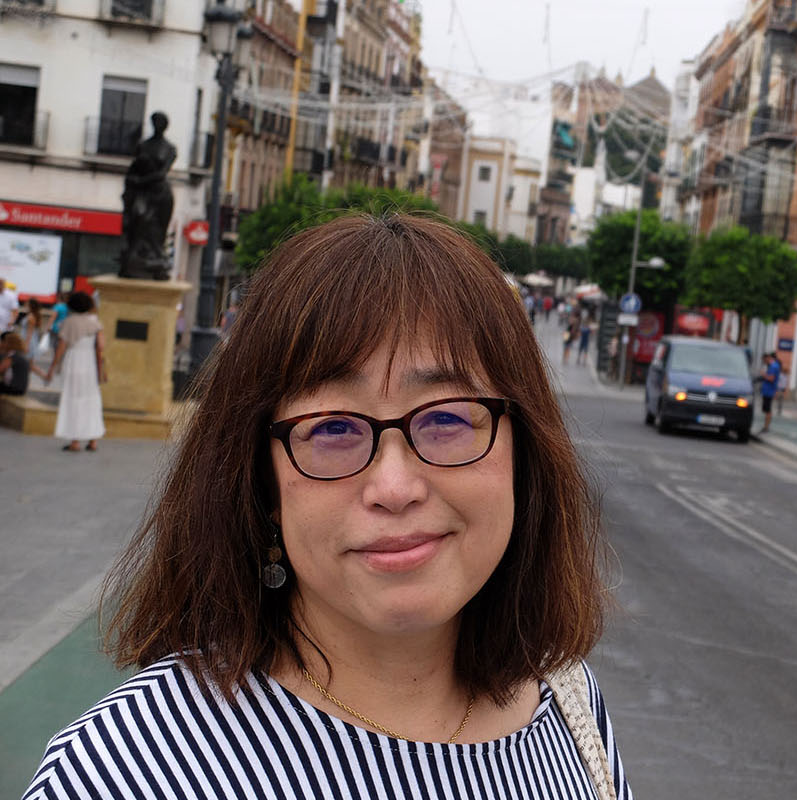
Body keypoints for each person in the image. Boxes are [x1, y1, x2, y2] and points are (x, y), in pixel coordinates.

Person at [23, 214, 631, 800]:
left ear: (525, 451)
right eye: (333, 428)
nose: (394, 487)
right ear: (258, 477)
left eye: (446, 418)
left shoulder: (570, 709)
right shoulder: (129, 771)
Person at [38, 291, 106, 452]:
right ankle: (93, 440)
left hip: (74, 362)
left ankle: (75, 441)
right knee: (92, 399)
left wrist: (52, 368)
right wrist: (100, 368)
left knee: (73, 399)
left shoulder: (69, 322)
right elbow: (101, 347)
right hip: (90, 364)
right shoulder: (95, 323)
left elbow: (60, 349)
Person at [0, 331, 31, 395]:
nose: (2, 344)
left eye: (4, 342)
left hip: (14, 388)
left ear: (9, 343)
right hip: (20, 389)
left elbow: (1, 369)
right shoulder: (20, 354)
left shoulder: (12, 356)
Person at [759, 352, 780, 433]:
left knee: (768, 409)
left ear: (767, 358)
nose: (764, 362)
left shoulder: (773, 366)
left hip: (769, 390)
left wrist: (763, 375)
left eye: (764, 360)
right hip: (767, 390)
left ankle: (766, 427)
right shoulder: (773, 366)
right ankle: (766, 426)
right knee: (766, 409)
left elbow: (771, 378)